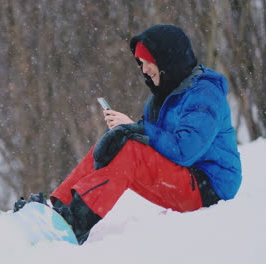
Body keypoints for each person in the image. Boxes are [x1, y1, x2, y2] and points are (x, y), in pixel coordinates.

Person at [14, 24, 242, 245]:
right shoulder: (161, 97)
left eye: (147, 62)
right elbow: (149, 139)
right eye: (140, 63)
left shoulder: (204, 94)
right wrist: (123, 131)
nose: (143, 70)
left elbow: (185, 150)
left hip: (211, 188)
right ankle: (56, 210)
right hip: (184, 177)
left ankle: (75, 224)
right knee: (111, 144)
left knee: (130, 151)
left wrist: (136, 128)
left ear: (166, 61)